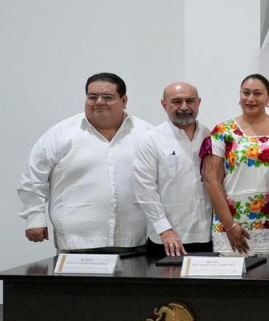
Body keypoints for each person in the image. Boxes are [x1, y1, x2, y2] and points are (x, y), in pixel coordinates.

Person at [19, 72, 152, 252]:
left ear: (124, 100)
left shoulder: (146, 134)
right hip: (77, 242)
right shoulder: (61, 134)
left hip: (136, 240)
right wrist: (34, 218)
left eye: (107, 97)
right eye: (92, 97)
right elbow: (33, 177)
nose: (98, 102)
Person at [204, 74, 269, 256]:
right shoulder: (222, 131)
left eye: (257, 93)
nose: (251, 99)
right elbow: (212, 181)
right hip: (234, 224)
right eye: (246, 93)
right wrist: (229, 225)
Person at [132, 81, 213, 257]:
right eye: (177, 102)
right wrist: (164, 230)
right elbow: (144, 190)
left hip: (208, 236)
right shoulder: (151, 140)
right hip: (168, 240)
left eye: (190, 101)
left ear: (199, 103)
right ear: (164, 104)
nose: (184, 107)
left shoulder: (210, 136)